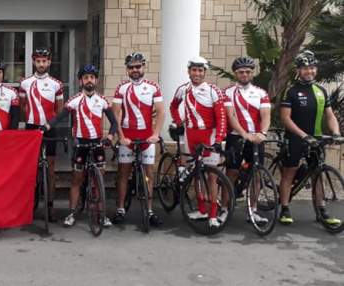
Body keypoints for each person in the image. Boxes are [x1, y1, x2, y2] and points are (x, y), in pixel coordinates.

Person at [46, 64, 117, 228]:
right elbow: (59, 117)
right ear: (81, 81)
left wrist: (111, 136)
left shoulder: (102, 100)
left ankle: (101, 213)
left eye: (92, 77)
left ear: (96, 80)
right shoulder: (74, 100)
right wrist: (47, 127)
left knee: (100, 178)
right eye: (86, 78)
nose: (89, 80)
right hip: (81, 144)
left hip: (98, 143)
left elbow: (113, 122)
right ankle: (71, 213)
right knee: (77, 179)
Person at [278, 50, 342, 226]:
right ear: (298, 70)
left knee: (317, 174)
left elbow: (329, 115)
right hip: (296, 138)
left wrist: (336, 133)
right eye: (305, 68)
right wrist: (303, 135)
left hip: (316, 139)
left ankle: (321, 211)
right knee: (289, 173)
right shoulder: (291, 91)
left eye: (312, 68)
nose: (310, 71)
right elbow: (285, 118)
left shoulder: (320, 91)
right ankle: (284, 208)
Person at [169, 56, 227, 228]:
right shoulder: (183, 89)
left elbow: (221, 116)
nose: (197, 73)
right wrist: (179, 123)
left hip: (208, 135)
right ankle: (202, 209)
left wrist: (218, 139)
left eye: (200, 70)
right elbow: (173, 106)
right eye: (194, 70)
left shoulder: (213, 90)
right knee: (196, 174)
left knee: (212, 175)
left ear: (204, 72)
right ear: (189, 71)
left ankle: (213, 214)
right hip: (190, 135)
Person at [111, 52, 164, 227]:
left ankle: (149, 210)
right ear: (127, 69)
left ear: (143, 67)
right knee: (123, 174)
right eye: (131, 67)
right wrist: (121, 137)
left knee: (149, 174)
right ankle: (120, 208)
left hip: (147, 137)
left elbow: (161, 112)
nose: (135, 70)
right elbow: (115, 114)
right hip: (128, 137)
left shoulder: (153, 87)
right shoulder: (121, 88)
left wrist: (155, 134)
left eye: (138, 66)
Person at [223, 56, 271, 226]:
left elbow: (265, 115)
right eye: (241, 72)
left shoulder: (261, 92)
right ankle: (225, 209)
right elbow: (230, 116)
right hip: (236, 137)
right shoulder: (228, 92)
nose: (244, 74)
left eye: (248, 72)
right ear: (235, 73)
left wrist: (263, 132)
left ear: (252, 73)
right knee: (232, 172)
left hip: (256, 138)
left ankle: (253, 210)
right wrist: (244, 134)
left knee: (256, 174)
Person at [20, 48, 64, 221]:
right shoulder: (25, 83)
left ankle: (51, 206)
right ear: (33, 62)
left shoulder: (56, 84)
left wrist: (49, 124)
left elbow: (60, 110)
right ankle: (29, 205)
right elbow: (23, 107)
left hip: (50, 129)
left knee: (51, 169)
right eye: (38, 61)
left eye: (44, 61)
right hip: (31, 128)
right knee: (30, 169)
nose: (41, 64)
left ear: (49, 62)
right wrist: (30, 122)